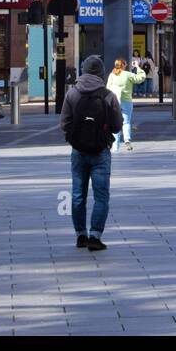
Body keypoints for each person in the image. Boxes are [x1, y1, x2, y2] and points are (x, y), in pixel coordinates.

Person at [60, 55, 123, 252]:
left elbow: (64, 123)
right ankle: (95, 235)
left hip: (78, 151)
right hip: (100, 151)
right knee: (101, 195)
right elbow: (117, 125)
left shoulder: (72, 94)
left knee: (78, 194)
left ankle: (80, 235)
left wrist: (75, 137)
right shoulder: (108, 95)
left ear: (83, 70)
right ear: (101, 72)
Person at [106, 56, 147, 150]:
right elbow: (141, 78)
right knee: (126, 121)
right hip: (126, 101)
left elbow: (108, 88)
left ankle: (115, 146)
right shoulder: (128, 74)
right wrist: (137, 67)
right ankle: (127, 139)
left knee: (115, 122)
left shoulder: (112, 75)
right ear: (123, 65)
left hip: (115, 101)